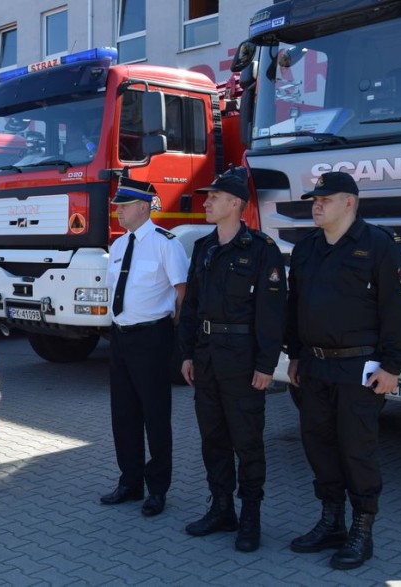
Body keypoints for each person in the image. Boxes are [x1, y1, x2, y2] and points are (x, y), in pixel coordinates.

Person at [286, 171, 401, 570]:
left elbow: (400, 310)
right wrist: (293, 354)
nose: (317, 205)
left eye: (325, 199)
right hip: (314, 365)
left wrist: (393, 366)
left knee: (356, 451)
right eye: (314, 199)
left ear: (349, 203)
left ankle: (362, 529)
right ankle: (331, 521)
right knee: (319, 446)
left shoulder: (379, 245)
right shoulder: (307, 247)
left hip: (359, 368)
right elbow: (296, 306)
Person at [179, 167, 286, 552]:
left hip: (242, 361)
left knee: (247, 441)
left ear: (236, 203)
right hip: (206, 359)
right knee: (213, 439)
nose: (205, 202)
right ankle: (221, 507)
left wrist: (265, 364)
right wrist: (188, 353)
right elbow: (190, 306)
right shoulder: (203, 249)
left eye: (214, 197)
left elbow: (272, 313)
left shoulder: (261, 250)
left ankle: (250, 516)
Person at [100, 177, 188, 517]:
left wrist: (171, 337)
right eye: (118, 207)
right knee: (123, 413)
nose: (118, 212)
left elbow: (182, 293)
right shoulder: (120, 245)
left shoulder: (167, 243)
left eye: (123, 206)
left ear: (142, 207)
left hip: (152, 337)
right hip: (120, 336)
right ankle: (130, 481)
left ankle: (158, 489)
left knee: (155, 415)